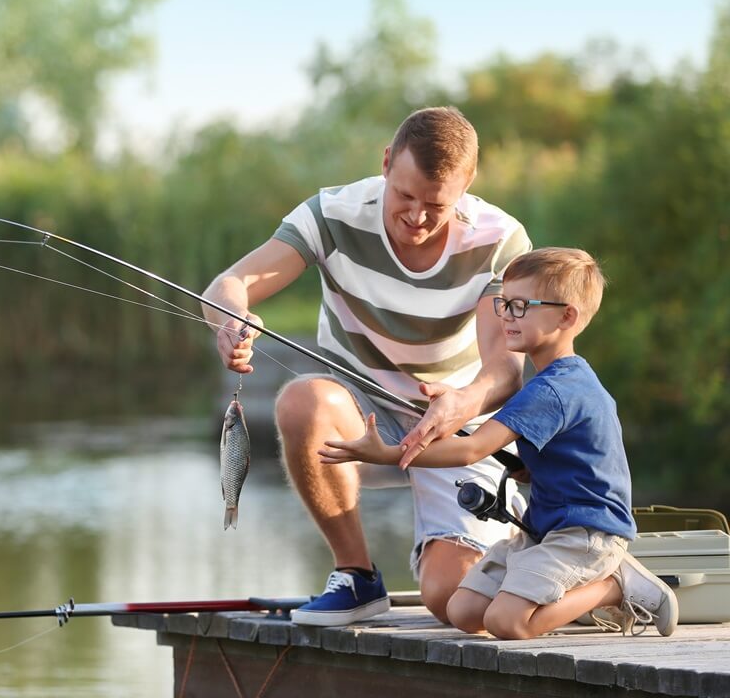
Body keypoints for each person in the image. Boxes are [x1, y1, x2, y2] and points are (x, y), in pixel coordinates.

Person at [202, 106, 531, 625]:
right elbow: (231, 283)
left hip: (455, 426)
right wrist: (229, 319)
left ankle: (537, 563)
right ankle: (356, 576)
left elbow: (505, 370)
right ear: (385, 163)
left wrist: (461, 403)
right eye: (405, 195)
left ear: (466, 186)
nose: (416, 217)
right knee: (303, 399)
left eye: (436, 205)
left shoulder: (499, 240)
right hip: (356, 415)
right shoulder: (332, 214)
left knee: (453, 602)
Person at [320, 248, 678, 638]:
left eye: (521, 306)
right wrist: (529, 464)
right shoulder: (557, 381)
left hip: (587, 533)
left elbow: (473, 449)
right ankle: (584, 586)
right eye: (504, 304)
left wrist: (389, 454)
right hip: (544, 530)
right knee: (463, 610)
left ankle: (615, 585)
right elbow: (572, 454)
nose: (506, 315)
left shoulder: (555, 389)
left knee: (506, 623)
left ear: (567, 316)